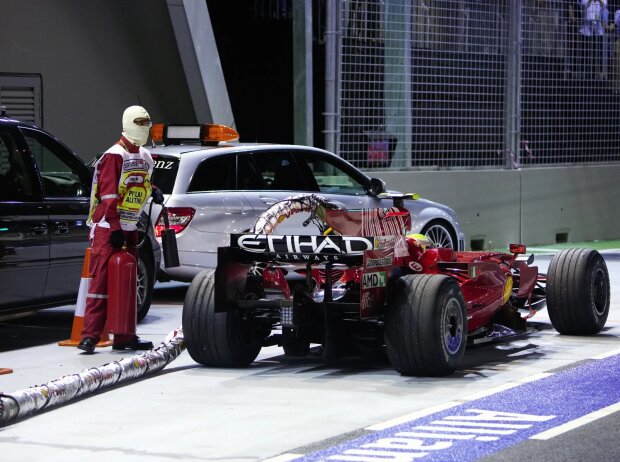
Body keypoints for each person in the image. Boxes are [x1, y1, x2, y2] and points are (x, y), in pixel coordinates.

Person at [78, 105, 165, 354]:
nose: (144, 127)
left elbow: (140, 182)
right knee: (101, 282)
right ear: (128, 123)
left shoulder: (146, 156)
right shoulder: (114, 155)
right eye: (140, 122)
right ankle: (90, 336)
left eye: (147, 123)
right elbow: (108, 194)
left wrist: (153, 190)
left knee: (128, 280)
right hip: (108, 227)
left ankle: (125, 336)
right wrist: (115, 226)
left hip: (130, 226)